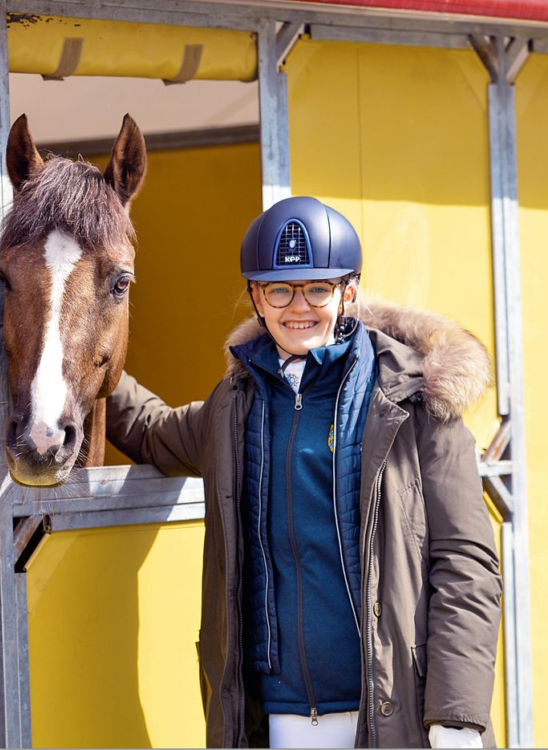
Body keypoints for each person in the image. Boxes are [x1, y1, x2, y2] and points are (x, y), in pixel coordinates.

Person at [106, 196, 502, 749]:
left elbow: (467, 566)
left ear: (349, 291)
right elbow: (149, 428)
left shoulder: (417, 405)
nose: (300, 307)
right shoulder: (232, 406)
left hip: (395, 716)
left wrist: (456, 715)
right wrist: (75, 357)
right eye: (279, 290)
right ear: (256, 298)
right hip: (277, 723)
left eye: (318, 287)